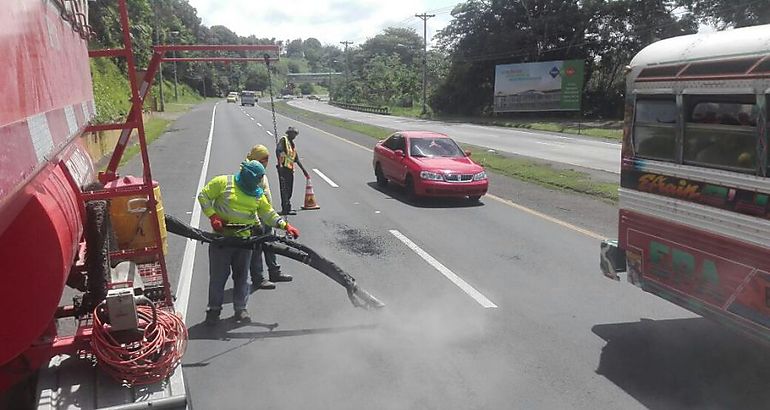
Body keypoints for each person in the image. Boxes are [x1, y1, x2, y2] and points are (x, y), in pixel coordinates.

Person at [198, 160, 300, 325]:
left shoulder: (257, 194)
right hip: (222, 240)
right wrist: (213, 216)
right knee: (218, 277)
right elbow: (203, 196)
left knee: (242, 276)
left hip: (245, 242)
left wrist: (285, 225)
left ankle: (241, 309)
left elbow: (268, 214)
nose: (258, 183)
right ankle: (213, 310)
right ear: (247, 176)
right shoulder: (223, 182)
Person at [246, 145, 293, 290]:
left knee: (271, 244)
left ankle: (274, 272)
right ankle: (258, 278)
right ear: (258, 159)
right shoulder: (251, 173)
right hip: (257, 218)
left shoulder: (259, 170)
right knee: (257, 248)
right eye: (265, 159)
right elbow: (251, 199)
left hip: (266, 215)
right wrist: (256, 221)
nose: (267, 162)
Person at [276, 126, 309, 215]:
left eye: (295, 134)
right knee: (285, 189)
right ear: (289, 133)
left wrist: (304, 171)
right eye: (293, 133)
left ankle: (288, 207)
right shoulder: (284, 140)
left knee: (289, 189)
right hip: (283, 169)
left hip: (289, 169)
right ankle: (285, 209)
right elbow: (278, 151)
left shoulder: (292, 144)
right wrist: (280, 164)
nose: (294, 135)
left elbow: (296, 159)